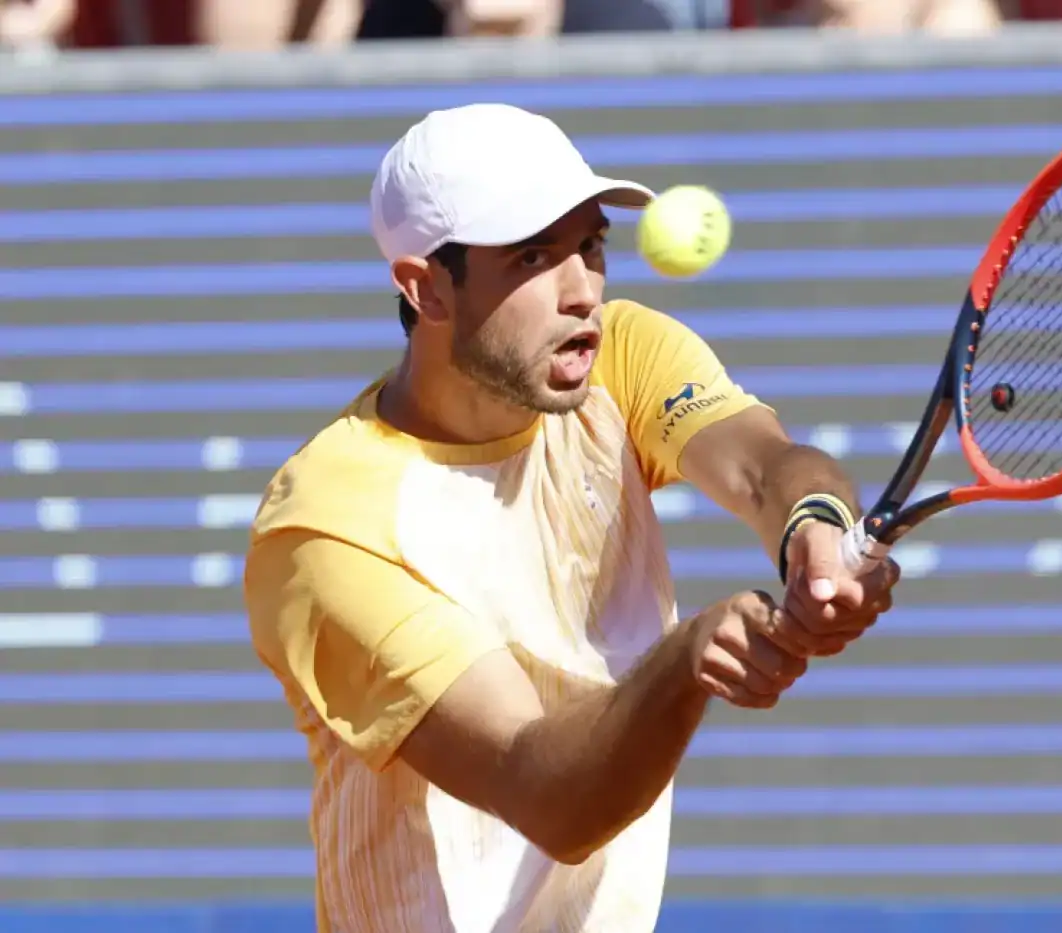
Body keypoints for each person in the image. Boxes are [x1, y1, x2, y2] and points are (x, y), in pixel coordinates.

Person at [242, 103, 900, 933]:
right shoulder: (327, 530)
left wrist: (813, 527)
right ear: (425, 287)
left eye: (591, 246)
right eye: (533, 255)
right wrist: (686, 659)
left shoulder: (619, 356)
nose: (583, 290)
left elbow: (765, 466)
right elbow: (551, 798)